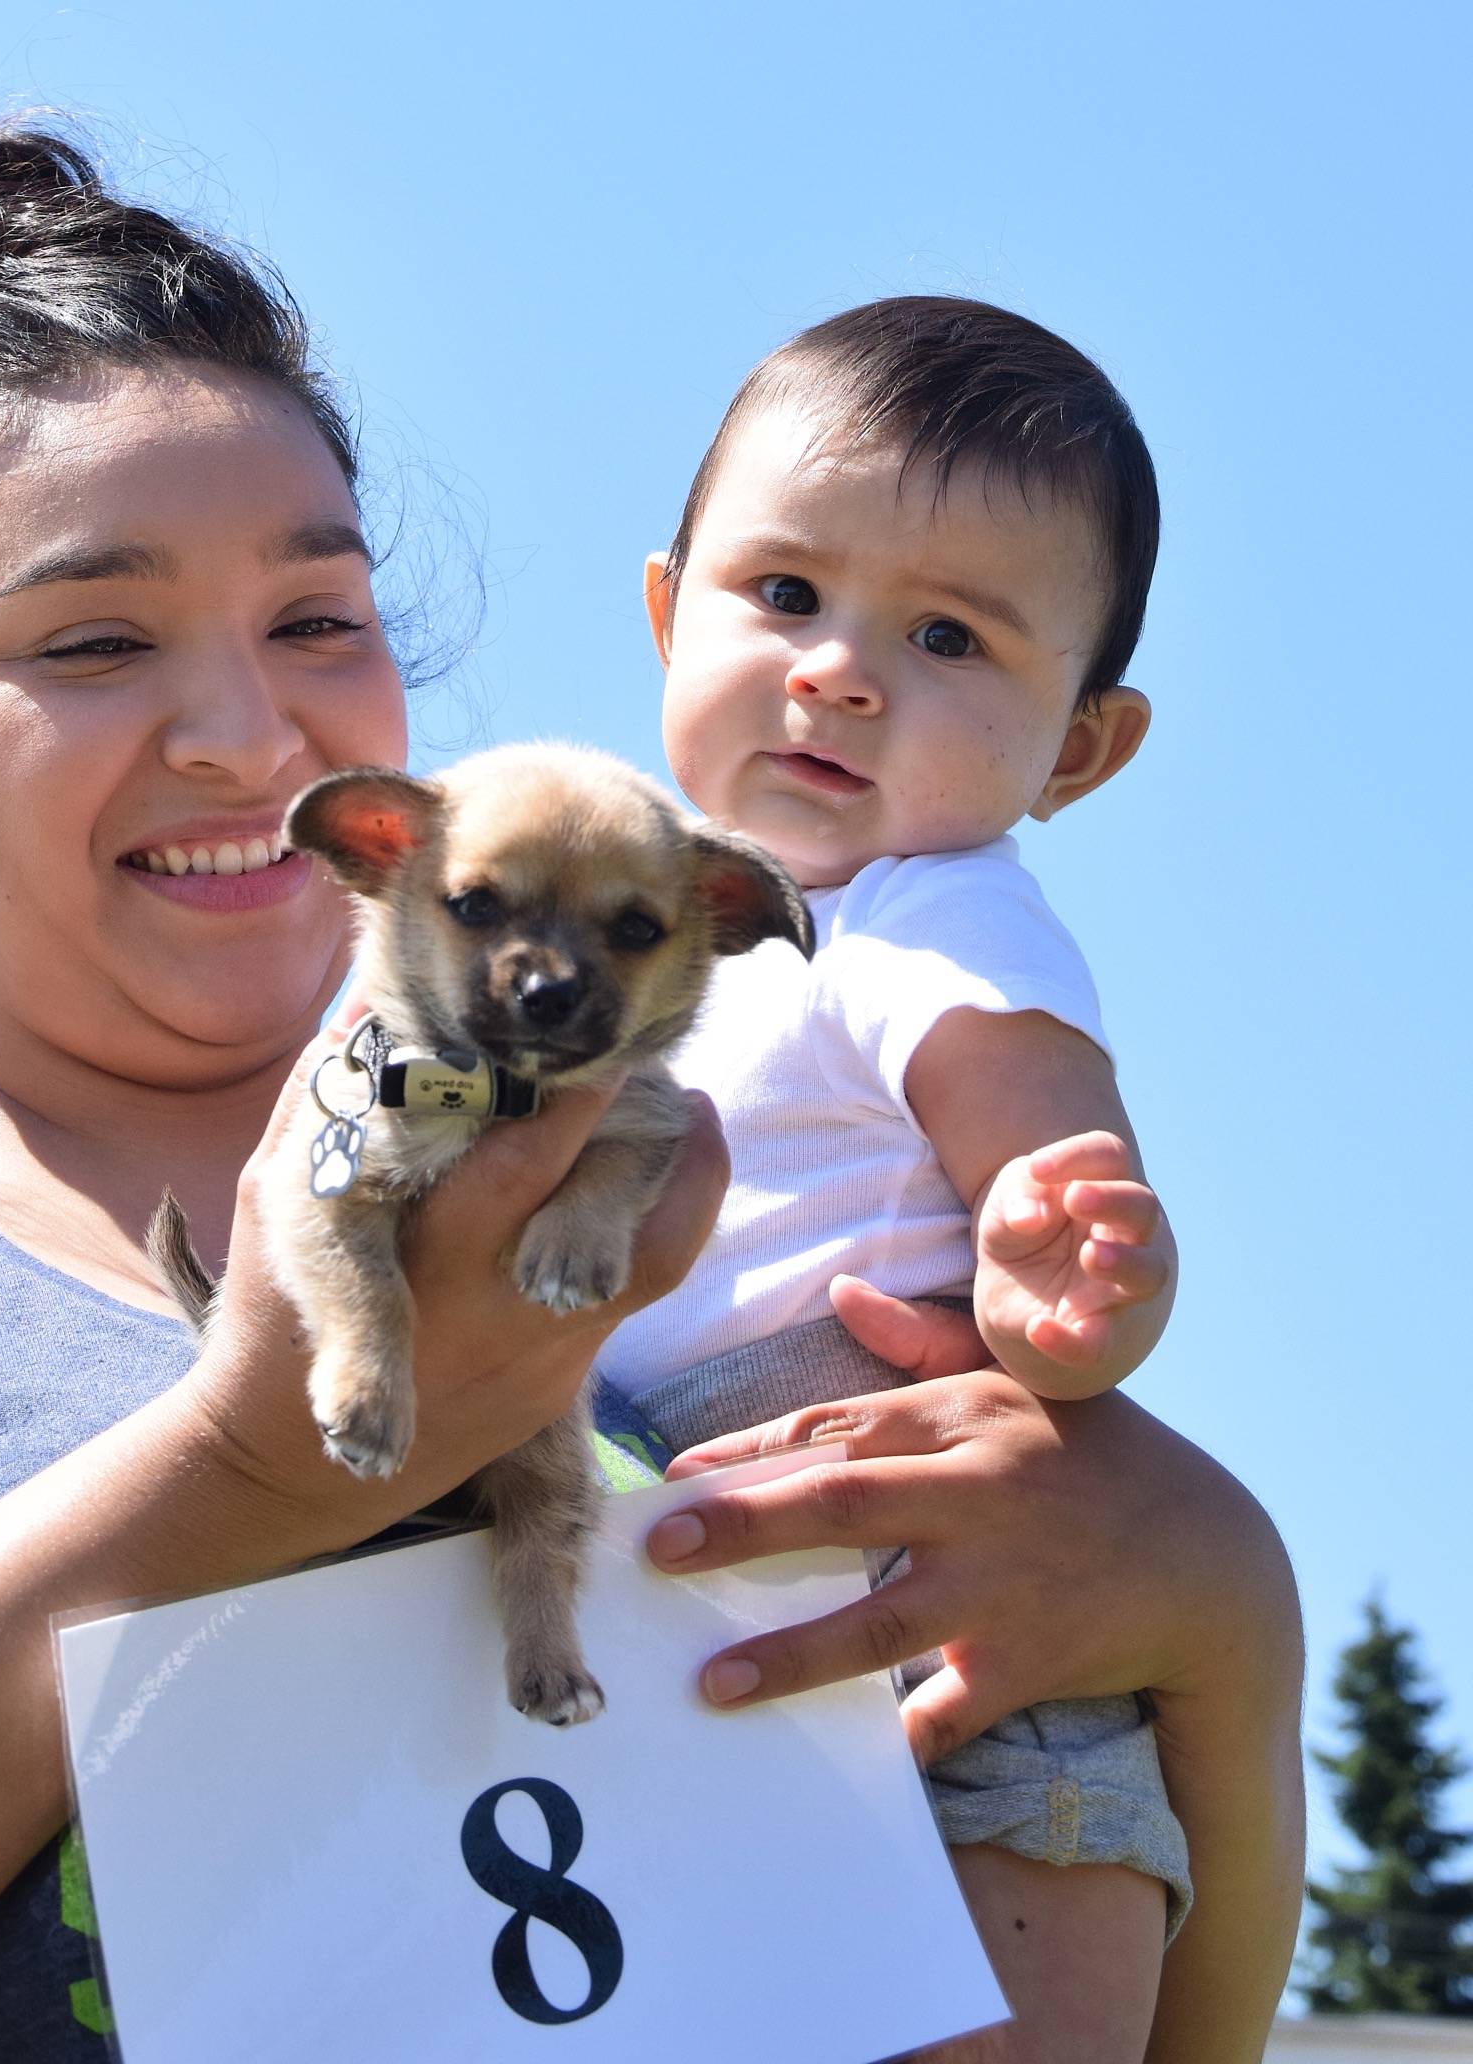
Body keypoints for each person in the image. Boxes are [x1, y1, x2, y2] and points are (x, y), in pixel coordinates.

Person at [0, 104, 1301, 2064]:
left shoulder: (671, 1199)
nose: (239, 731)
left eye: (317, 618)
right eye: (98, 637)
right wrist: (242, 1475)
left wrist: (1227, 1617)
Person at [593, 298, 1194, 2053]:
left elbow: (1057, 1200)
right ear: (664, 611)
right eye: (784, 596)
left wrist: (1060, 1278)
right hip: (736, 1626)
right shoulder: (641, 953)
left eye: (946, 638)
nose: (840, 671)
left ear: (1074, 747)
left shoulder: (927, 909)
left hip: (973, 1677)